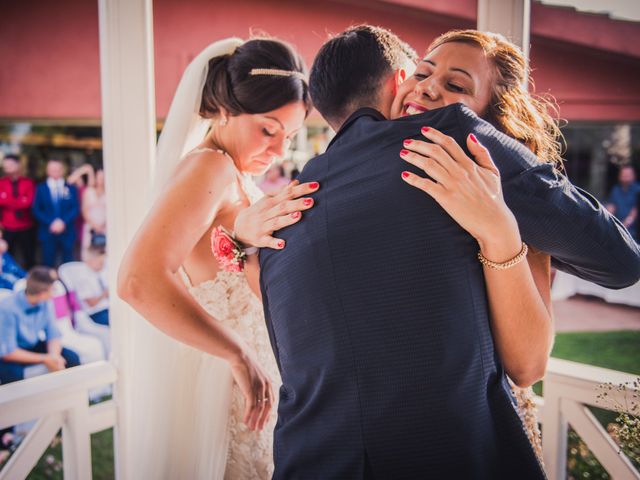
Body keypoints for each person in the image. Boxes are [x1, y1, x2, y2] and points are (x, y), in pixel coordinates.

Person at [247, 25, 640, 479]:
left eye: (455, 85)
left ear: (494, 118)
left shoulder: (291, 207)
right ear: (400, 81)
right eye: (422, 73)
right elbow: (620, 261)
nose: (429, 87)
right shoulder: (449, 137)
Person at [118, 37, 316, 479]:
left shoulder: (234, 174)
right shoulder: (212, 168)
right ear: (225, 109)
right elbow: (139, 280)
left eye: (290, 136)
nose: (279, 151)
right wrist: (239, 355)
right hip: (223, 390)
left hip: (250, 385)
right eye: (268, 129)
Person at [0, 266, 81, 449]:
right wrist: (45, 359)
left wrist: (53, 356)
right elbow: (7, 351)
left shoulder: (46, 303)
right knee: (11, 378)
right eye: (52, 289)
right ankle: (6, 435)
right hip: (9, 352)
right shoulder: (7, 308)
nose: (54, 293)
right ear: (42, 291)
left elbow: (54, 334)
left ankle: (65, 416)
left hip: (32, 345)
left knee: (72, 358)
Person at [32, 159, 80, 267]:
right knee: (47, 262)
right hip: (48, 231)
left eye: (57, 169)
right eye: (52, 169)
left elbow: (75, 208)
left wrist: (63, 222)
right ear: (47, 171)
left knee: (68, 262)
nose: (55, 171)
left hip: (67, 231)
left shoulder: (70, 188)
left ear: (62, 170)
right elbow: (36, 209)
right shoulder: (41, 188)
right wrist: (51, 223)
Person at [0, 154, 37, 269]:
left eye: (10, 165)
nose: (7, 168)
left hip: (25, 225)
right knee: (7, 256)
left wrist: (7, 199)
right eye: (5, 166)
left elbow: (29, 202)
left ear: (18, 165)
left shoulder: (28, 183)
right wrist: (20, 200)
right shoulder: (1, 183)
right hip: (7, 226)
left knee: (29, 255)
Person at [74, 244, 109, 326]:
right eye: (100, 263)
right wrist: (105, 294)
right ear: (91, 261)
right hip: (95, 314)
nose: (103, 265)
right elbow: (91, 303)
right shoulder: (83, 278)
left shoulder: (97, 273)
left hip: (105, 309)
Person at [606, 165, 639, 239]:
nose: (625, 177)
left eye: (627, 175)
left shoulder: (638, 190)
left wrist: (623, 226)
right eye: (623, 174)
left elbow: (635, 212)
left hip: (632, 231)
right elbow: (611, 207)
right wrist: (608, 221)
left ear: (633, 176)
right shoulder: (616, 190)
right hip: (616, 227)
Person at [82, 168, 107, 248]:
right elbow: (84, 210)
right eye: (99, 177)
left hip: (105, 228)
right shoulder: (89, 192)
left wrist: (102, 225)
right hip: (90, 228)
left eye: (103, 178)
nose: (101, 180)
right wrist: (95, 225)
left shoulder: (109, 192)